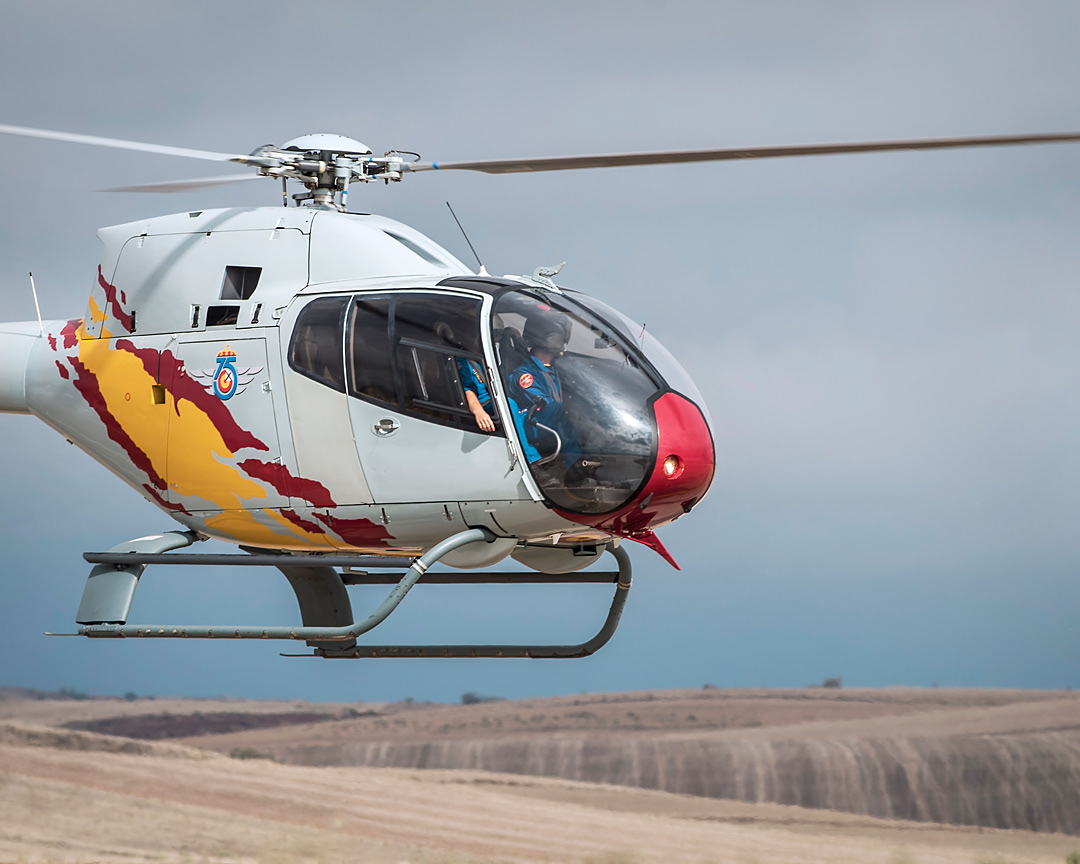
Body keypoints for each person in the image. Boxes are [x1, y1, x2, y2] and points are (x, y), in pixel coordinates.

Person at [506, 309, 576, 466]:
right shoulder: (526, 374)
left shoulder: (556, 370)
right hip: (533, 424)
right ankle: (574, 464)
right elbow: (546, 406)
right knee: (566, 410)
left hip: (550, 420)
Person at [456, 357, 496, 432]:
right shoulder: (463, 361)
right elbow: (467, 390)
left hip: (500, 398)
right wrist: (479, 411)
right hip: (485, 404)